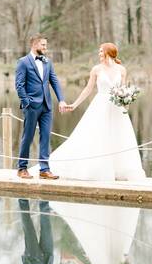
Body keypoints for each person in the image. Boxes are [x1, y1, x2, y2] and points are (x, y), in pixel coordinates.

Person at [42, 43, 145, 181]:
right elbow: (88, 89)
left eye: (101, 51)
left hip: (117, 108)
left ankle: (120, 170)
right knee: (97, 137)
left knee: (119, 136)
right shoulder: (96, 69)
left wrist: (126, 103)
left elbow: (123, 89)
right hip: (100, 107)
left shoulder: (122, 69)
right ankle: (98, 170)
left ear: (109, 52)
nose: (99, 54)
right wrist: (74, 104)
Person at [15, 34, 68, 180]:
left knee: (45, 136)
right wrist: (27, 103)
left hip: (47, 105)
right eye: (43, 45)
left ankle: (44, 169)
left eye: (46, 45)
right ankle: (22, 168)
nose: (46, 48)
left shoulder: (47, 62)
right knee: (28, 136)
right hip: (32, 106)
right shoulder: (23, 62)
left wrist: (61, 100)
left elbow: (54, 81)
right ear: (34, 45)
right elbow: (19, 85)